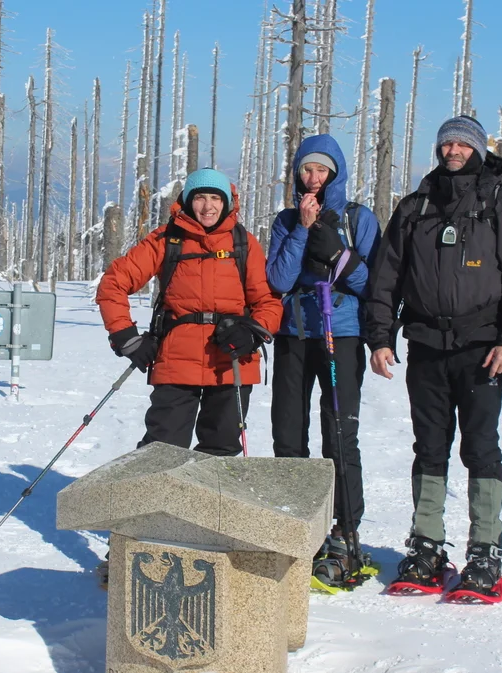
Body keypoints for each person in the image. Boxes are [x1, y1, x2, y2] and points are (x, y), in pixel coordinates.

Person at [364, 115, 502, 598]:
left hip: (484, 349)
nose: (453, 151)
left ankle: (485, 550)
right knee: (429, 446)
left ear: (478, 150)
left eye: (463, 144)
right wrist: (380, 338)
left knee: (480, 447)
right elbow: (385, 279)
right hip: (426, 344)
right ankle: (426, 546)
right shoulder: (416, 207)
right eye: (447, 144)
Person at [96, 167, 283, 457]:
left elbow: (268, 301)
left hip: (231, 360)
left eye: (215, 198)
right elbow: (113, 283)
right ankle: (153, 489)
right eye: (199, 198)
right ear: (187, 201)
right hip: (176, 359)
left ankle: (208, 491)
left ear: (226, 202)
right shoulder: (167, 239)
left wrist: (253, 333)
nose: (208, 206)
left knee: (221, 450)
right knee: (162, 450)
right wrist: (126, 337)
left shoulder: (244, 243)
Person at [266, 134, 380, 583]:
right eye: (306, 170)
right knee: (288, 431)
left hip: (342, 331)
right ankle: (294, 520)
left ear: (335, 173)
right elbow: (279, 279)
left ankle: (345, 528)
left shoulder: (358, 218)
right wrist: (302, 230)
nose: (313, 178)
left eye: (321, 170)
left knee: (339, 432)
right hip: (293, 332)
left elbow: (372, 283)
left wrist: (336, 252)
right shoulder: (286, 220)